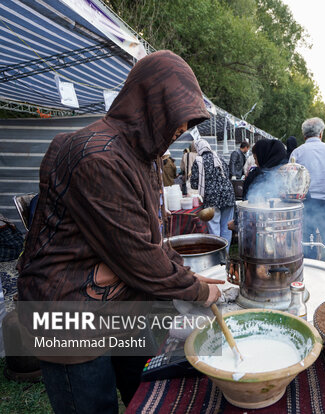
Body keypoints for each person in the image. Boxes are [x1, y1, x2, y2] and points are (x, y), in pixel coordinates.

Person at [16, 50, 223, 413]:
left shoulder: (140, 155)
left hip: (120, 308)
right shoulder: (97, 155)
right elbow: (139, 257)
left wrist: (186, 273)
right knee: (92, 405)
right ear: (148, 103)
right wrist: (199, 290)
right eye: (177, 120)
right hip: (70, 317)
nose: (180, 131)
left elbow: (152, 237)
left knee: (141, 394)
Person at [290, 118, 325, 264]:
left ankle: (310, 271)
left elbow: (291, 182)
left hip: (305, 203)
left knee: (307, 242)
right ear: (321, 133)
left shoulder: (297, 153)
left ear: (304, 134)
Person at [191, 138, 235, 248]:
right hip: (228, 194)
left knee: (214, 227)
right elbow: (227, 174)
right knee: (227, 227)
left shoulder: (199, 160)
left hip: (211, 197)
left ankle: (217, 255)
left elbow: (194, 183)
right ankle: (225, 255)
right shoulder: (219, 157)